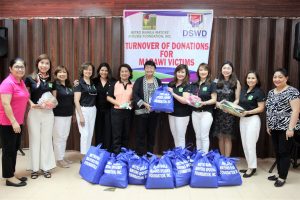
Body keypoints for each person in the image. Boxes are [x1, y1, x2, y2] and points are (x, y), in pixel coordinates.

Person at [266, 68, 299, 187]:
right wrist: (268, 125)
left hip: (286, 128)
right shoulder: (271, 92)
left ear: (286, 78)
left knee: (284, 152)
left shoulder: (292, 91)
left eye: (280, 77)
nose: (277, 79)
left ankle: (282, 177)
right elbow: (268, 110)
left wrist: (291, 128)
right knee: (277, 152)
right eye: (275, 77)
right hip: (274, 126)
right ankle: (279, 172)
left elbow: (296, 111)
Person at [25, 54, 56, 179]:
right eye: (42, 62)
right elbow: (25, 95)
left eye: (47, 63)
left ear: (49, 66)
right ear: (37, 64)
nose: (44, 65)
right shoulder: (30, 78)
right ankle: (34, 168)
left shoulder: (52, 81)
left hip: (48, 113)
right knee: (35, 139)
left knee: (47, 140)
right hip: (34, 113)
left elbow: (55, 98)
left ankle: (46, 167)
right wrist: (31, 104)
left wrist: (51, 104)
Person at [0, 58, 29, 187]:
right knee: (8, 150)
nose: (20, 69)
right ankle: (9, 177)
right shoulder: (7, 83)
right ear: (10, 68)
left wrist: (32, 104)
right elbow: (6, 104)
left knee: (14, 148)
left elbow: (25, 97)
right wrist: (13, 122)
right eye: (17, 67)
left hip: (18, 121)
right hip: (8, 122)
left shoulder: (20, 82)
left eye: (22, 67)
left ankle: (12, 173)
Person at [238, 71, 265, 178]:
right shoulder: (244, 90)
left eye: (253, 78)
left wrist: (248, 112)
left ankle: (252, 167)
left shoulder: (259, 92)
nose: (250, 80)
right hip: (243, 119)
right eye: (248, 78)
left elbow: (261, 108)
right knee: (245, 144)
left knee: (250, 144)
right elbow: (240, 104)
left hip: (253, 120)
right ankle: (250, 165)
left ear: (257, 80)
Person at [133, 60, 162, 155]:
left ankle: (150, 155)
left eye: (152, 67)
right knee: (140, 135)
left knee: (151, 135)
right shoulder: (139, 80)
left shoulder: (158, 81)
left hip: (154, 113)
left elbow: (161, 95)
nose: (149, 69)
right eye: (147, 67)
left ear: (154, 69)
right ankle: (140, 155)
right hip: (142, 113)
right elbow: (135, 95)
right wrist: (145, 104)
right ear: (144, 69)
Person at [213, 61, 241, 157]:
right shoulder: (216, 81)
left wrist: (229, 108)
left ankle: (227, 160)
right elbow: (212, 97)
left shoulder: (236, 82)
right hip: (218, 113)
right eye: (224, 68)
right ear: (221, 69)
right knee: (220, 137)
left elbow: (237, 99)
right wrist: (217, 104)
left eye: (228, 68)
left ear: (232, 70)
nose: (226, 70)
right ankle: (222, 158)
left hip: (229, 113)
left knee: (228, 137)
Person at [188, 63, 216, 153]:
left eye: (205, 70)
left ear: (208, 72)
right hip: (195, 113)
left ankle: (204, 157)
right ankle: (199, 156)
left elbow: (214, 100)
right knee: (198, 136)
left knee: (204, 136)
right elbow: (190, 98)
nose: (203, 72)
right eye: (200, 70)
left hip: (206, 113)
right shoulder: (194, 84)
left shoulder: (212, 84)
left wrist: (203, 103)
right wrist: (191, 102)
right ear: (198, 72)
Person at [107, 64, 133, 154]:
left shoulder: (133, 84)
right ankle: (116, 154)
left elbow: (134, 98)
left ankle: (124, 154)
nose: (124, 73)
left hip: (128, 112)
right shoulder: (115, 83)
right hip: (116, 112)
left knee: (126, 134)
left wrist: (131, 103)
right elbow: (108, 97)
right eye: (122, 71)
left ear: (130, 73)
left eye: (126, 71)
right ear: (119, 73)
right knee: (116, 134)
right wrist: (120, 104)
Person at [52, 65, 74, 168]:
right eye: (60, 72)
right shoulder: (54, 85)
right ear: (56, 75)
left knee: (64, 137)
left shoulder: (69, 86)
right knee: (58, 137)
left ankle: (62, 156)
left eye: (64, 72)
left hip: (68, 114)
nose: (62, 74)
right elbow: (53, 100)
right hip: (58, 115)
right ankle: (58, 159)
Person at [74, 62, 97, 159]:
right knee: (84, 134)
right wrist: (81, 116)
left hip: (92, 109)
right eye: (86, 69)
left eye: (90, 69)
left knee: (90, 133)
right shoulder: (79, 83)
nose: (88, 71)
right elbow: (76, 100)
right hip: (83, 110)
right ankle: (83, 157)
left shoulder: (93, 82)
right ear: (82, 71)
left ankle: (87, 154)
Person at [167, 64, 191, 148]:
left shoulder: (187, 85)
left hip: (182, 114)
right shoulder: (171, 84)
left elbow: (185, 101)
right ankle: (178, 155)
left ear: (186, 74)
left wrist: (173, 93)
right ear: (176, 73)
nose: (180, 74)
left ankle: (181, 156)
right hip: (171, 113)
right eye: (179, 72)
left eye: (182, 72)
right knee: (174, 135)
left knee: (180, 137)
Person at [93, 62, 114, 151]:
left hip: (109, 110)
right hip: (97, 110)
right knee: (98, 130)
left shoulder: (113, 81)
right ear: (98, 71)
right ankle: (99, 150)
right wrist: (77, 82)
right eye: (102, 70)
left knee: (108, 130)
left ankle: (107, 150)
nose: (104, 72)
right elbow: (84, 83)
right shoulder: (93, 81)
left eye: (106, 70)